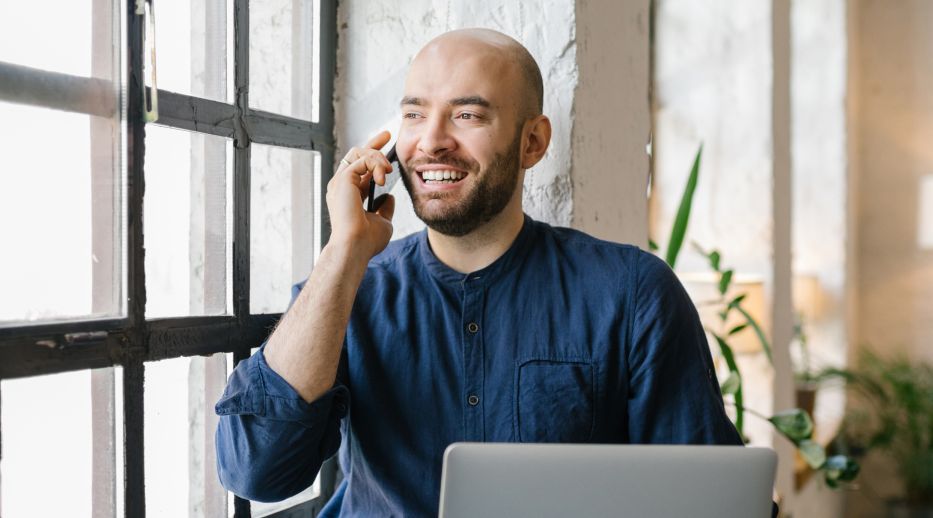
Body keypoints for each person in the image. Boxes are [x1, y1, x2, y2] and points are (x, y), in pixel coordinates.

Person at [214, 28, 743, 517]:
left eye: (467, 115)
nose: (431, 140)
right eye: (415, 114)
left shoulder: (632, 293)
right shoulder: (349, 288)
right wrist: (343, 251)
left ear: (532, 142)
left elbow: (705, 501)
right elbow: (256, 471)